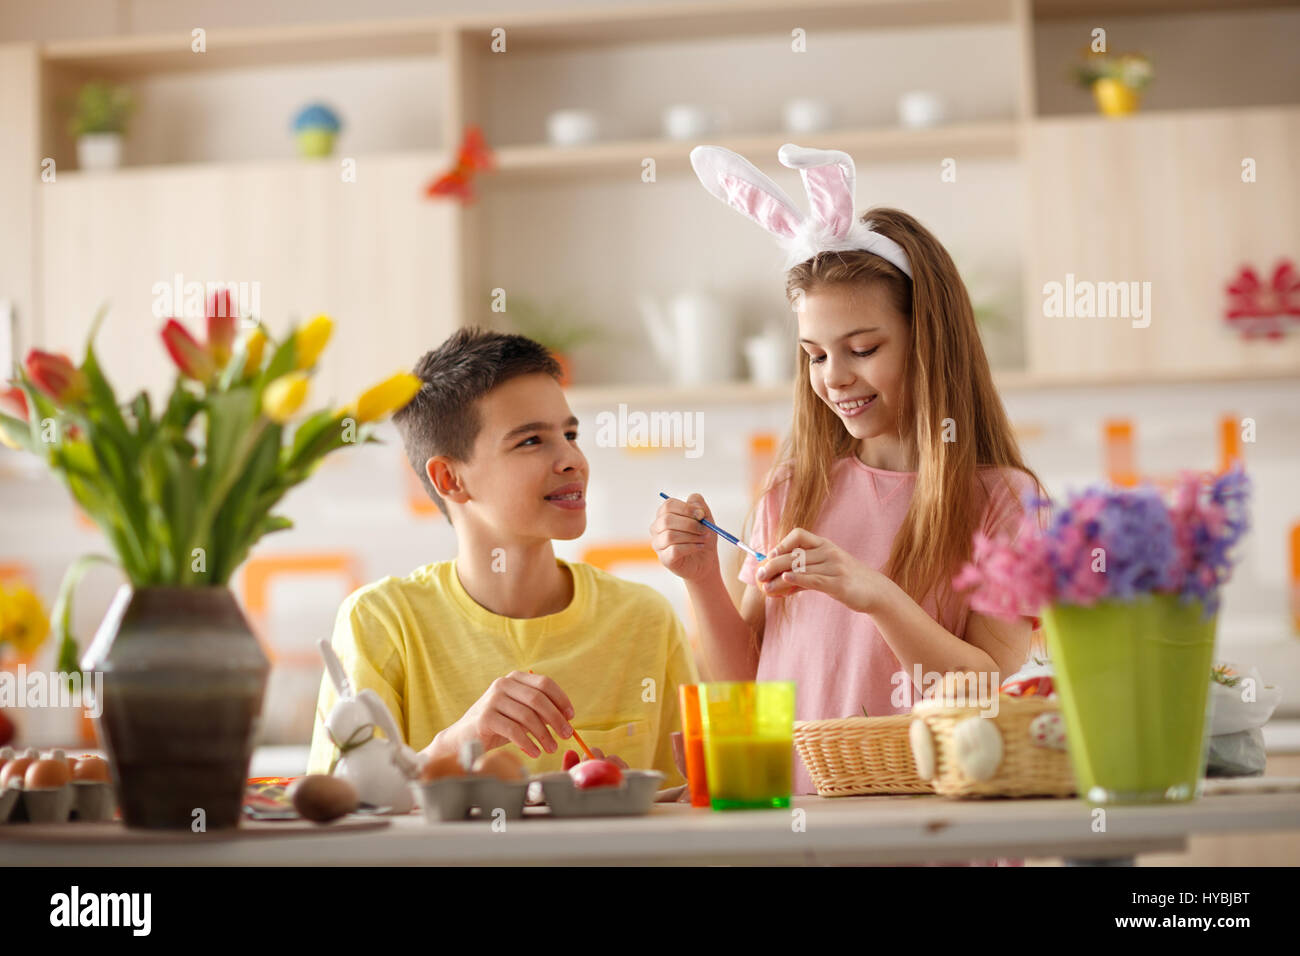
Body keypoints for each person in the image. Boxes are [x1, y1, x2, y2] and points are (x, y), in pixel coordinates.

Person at [307, 328, 696, 785]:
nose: (573, 459)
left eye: (570, 433)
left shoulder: (645, 620)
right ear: (450, 479)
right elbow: (341, 812)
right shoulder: (380, 622)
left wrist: (632, 807)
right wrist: (462, 740)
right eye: (531, 441)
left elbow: (688, 812)